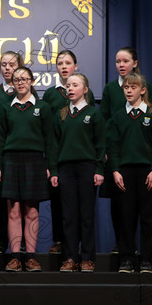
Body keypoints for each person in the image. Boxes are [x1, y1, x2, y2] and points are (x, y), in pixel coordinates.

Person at [0, 66, 56, 272]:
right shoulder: (6, 107)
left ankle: (30, 257)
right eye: (16, 79)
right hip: (11, 160)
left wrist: (50, 167)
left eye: (24, 79)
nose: (20, 82)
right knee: (13, 211)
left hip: (35, 160)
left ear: (31, 81)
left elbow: (50, 140)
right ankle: (14, 257)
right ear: (12, 83)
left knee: (31, 210)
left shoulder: (43, 107)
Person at [106, 72, 152, 274]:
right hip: (124, 173)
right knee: (125, 217)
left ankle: (147, 260)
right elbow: (112, 146)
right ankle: (126, 259)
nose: (129, 90)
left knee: (148, 217)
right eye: (126, 88)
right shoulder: (118, 116)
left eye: (133, 87)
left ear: (142, 90)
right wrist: (115, 170)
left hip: (146, 172)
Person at [41, 50, 95, 256]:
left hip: (82, 159)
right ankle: (59, 241)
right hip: (60, 157)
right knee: (59, 203)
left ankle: (84, 249)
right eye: (60, 63)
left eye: (68, 63)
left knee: (83, 209)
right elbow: (48, 129)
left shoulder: (84, 94)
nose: (64, 66)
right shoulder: (51, 93)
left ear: (76, 65)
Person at [52, 73, 105, 273]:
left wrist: (99, 169)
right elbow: (54, 145)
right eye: (68, 85)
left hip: (86, 168)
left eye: (75, 85)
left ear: (85, 90)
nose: (70, 88)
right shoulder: (61, 114)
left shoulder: (94, 114)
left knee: (86, 215)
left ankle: (87, 258)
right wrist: (55, 170)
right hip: (66, 169)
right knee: (68, 216)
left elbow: (100, 144)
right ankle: (70, 257)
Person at [99, 46, 149, 256]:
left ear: (134, 63)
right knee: (118, 201)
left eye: (125, 61)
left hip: (136, 154)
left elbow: (148, 115)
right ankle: (121, 244)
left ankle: (136, 247)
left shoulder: (144, 86)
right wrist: (107, 149)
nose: (121, 65)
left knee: (138, 205)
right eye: (118, 61)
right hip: (116, 153)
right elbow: (104, 119)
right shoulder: (111, 88)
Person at [0, 51, 25, 255]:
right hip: (0, 154)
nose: (7, 68)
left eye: (11, 64)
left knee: (23, 200)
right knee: (0, 200)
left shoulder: (28, 92)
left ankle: (24, 243)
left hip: (22, 154)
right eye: (3, 65)